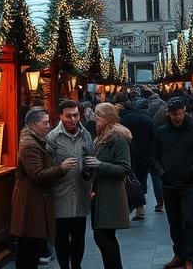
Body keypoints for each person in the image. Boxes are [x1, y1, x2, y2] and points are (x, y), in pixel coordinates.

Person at [11, 107, 77, 269]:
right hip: (31, 200)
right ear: (33, 124)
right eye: (45, 123)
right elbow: (37, 175)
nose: (49, 126)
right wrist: (61, 168)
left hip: (35, 198)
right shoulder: (30, 145)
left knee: (32, 243)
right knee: (29, 243)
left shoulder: (34, 140)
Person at [151, 96, 193, 269]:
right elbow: (154, 153)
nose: (177, 117)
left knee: (188, 219)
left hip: (189, 183)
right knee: (174, 221)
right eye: (173, 114)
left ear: (184, 111)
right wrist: (161, 170)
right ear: (169, 114)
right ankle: (179, 254)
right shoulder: (162, 131)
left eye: (179, 113)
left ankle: (189, 257)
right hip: (169, 183)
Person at [46, 99, 94, 269]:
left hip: (81, 193)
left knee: (79, 236)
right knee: (61, 237)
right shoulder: (52, 137)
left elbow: (90, 157)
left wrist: (90, 168)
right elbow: (48, 167)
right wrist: (61, 167)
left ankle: (76, 265)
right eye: (68, 116)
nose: (73, 120)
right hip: (61, 194)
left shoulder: (85, 135)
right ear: (60, 116)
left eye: (76, 115)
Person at [86, 103, 132, 269]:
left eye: (99, 114)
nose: (95, 117)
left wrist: (99, 165)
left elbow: (124, 168)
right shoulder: (101, 137)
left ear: (108, 117)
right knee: (103, 236)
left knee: (103, 236)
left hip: (111, 195)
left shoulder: (118, 139)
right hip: (100, 192)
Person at [120, 98, 155, 220]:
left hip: (129, 155)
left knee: (130, 181)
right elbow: (153, 139)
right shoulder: (149, 120)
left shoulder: (125, 119)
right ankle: (140, 208)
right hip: (145, 156)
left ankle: (132, 208)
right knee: (142, 180)